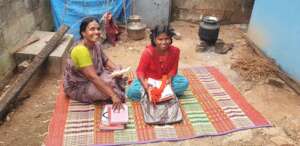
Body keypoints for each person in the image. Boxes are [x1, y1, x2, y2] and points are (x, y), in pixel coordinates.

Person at [63, 17, 125, 111]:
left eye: (98, 29)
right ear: (83, 33)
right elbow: (93, 77)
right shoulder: (80, 50)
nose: (97, 32)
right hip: (80, 85)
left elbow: (105, 60)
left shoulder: (96, 44)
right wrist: (113, 96)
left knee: (118, 69)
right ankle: (113, 89)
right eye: (92, 29)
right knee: (110, 89)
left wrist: (116, 69)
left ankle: (112, 85)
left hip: (96, 76)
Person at [126, 25, 189, 101]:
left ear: (170, 39)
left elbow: (174, 70)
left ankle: (158, 95)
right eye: (160, 39)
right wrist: (145, 86)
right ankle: (164, 94)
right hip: (149, 80)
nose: (164, 42)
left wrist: (169, 79)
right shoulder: (148, 53)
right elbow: (140, 71)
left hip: (165, 80)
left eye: (167, 39)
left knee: (184, 83)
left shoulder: (175, 51)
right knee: (132, 92)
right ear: (154, 40)